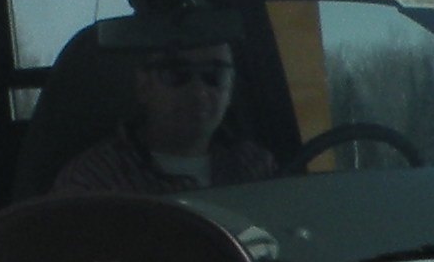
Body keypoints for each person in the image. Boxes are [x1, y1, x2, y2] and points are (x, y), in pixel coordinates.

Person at [48, 32, 280, 195]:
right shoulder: (95, 180)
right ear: (143, 86)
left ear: (231, 89)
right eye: (176, 74)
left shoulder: (256, 168)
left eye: (214, 75)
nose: (199, 92)